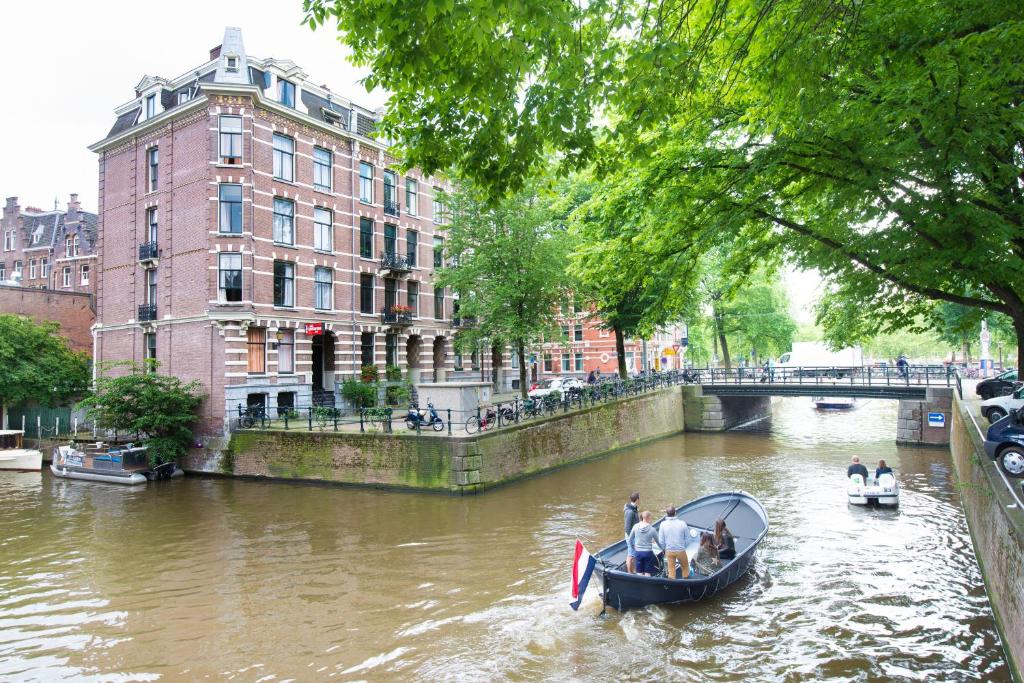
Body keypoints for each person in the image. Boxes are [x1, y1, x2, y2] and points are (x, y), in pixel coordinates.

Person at [657, 505, 690, 579]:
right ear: (675, 513)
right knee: (685, 568)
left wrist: (664, 549)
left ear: (666, 514)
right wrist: (683, 546)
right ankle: (686, 584)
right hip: (680, 550)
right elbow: (688, 539)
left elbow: (661, 540)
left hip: (669, 551)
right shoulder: (682, 523)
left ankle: (672, 586)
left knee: (671, 570)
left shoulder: (662, 524)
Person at [626, 510, 660, 575]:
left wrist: (633, 547)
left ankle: (639, 584)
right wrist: (663, 548)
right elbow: (658, 542)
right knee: (648, 573)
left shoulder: (635, 526)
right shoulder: (652, 529)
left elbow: (630, 539)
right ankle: (647, 584)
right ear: (648, 518)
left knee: (639, 573)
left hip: (638, 553)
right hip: (648, 553)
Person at [623, 492, 640, 573]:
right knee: (630, 555)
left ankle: (633, 571)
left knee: (633, 554)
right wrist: (631, 539)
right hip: (631, 536)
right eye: (639, 499)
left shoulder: (634, 509)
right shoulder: (630, 511)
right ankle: (629, 573)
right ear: (637, 500)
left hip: (634, 535)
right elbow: (627, 527)